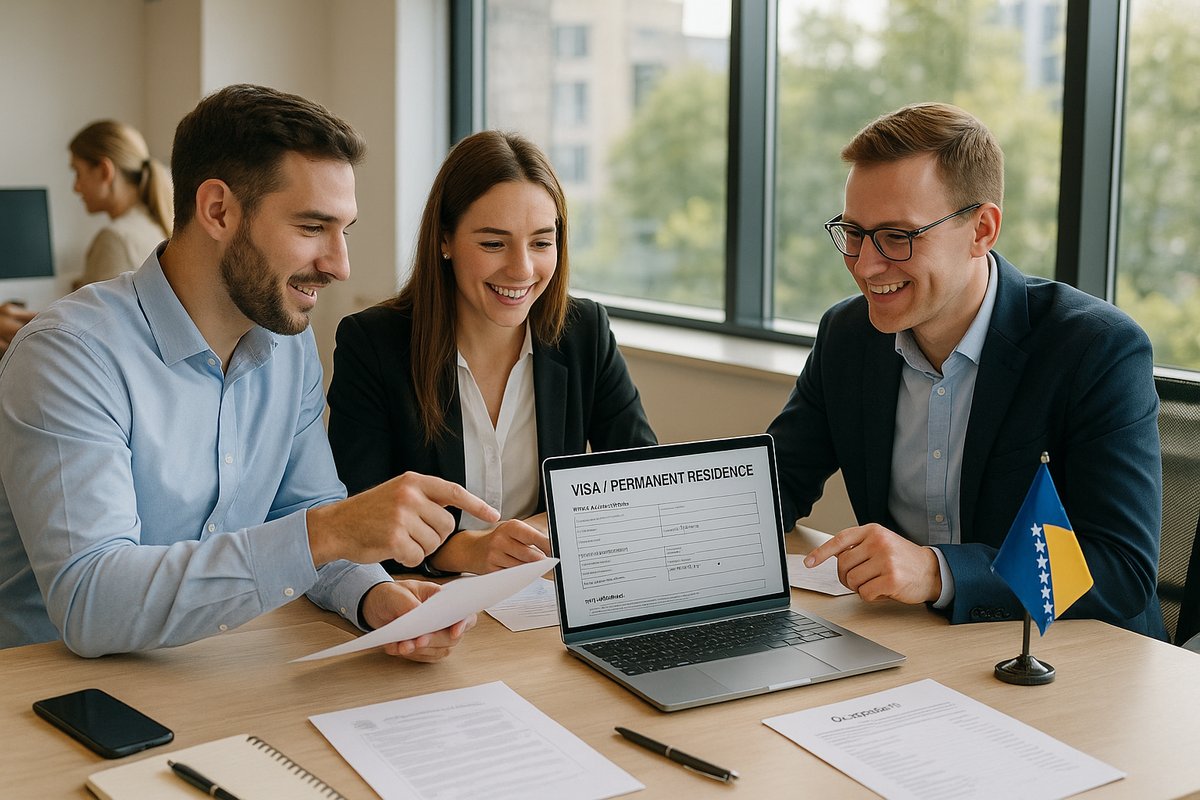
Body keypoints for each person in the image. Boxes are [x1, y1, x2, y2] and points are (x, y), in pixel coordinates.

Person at [0, 84, 501, 657]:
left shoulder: (288, 346)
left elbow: (299, 513)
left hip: (217, 669)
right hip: (55, 700)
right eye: (312, 228)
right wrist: (330, 531)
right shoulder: (69, 355)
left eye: (345, 230)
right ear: (218, 210)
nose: (339, 265)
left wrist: (374, 598)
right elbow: (90, 602)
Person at [767, 102, 1166, 639]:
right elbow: (776, 484)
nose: (865, 265)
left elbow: (1120, 569)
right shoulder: (849, 336)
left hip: (1070, 658)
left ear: (982, 229)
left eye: (897, 237)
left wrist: (937, 571)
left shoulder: (1096, 349)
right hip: (915, 640)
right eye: (855, 233)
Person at [328, 130, 656, 576]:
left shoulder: (585, 332)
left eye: (541, 242)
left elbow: (640, 480)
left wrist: (528, 539)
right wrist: (471, 551)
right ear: (445, 240)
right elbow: (357, 519)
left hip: (542, 596)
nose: (521, 269)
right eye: (493, 243)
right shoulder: (373, 344)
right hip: (423, 599)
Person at [68, 120, 173, 288]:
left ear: (104, 171)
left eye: (78, 173)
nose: (76, 187)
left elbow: (97, 315)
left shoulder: (114, 239)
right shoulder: (154, 225)